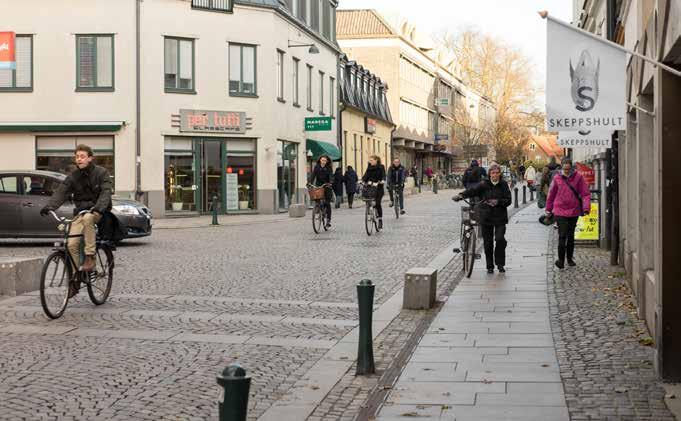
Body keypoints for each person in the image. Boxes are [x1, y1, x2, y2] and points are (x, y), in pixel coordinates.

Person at [40, 145, 113, 296]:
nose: (79, 159)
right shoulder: (73, 176)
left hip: (98, 211)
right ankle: (76, 277)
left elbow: (106, 192)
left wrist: (99, 208)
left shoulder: (101, 172)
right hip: (81, 213)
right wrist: (49, 206)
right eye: (77, 156)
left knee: (88, 218)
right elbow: (62, 191)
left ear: (90, 158)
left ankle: (90, 256)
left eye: (82, 156)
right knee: (71, 243)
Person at [454, 164, 512, 274]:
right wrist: (461, 195)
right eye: (493, 173)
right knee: (488, 242)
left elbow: (509, 200)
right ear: (489, 174)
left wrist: (498, 202)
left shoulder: (503, 185)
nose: (495, 175)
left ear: (500, 174)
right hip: (486, 217)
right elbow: (472, 191)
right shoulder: (484, 184)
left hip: (500, 217)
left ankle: (500, 264)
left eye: (497, 173)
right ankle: (489, 266)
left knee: (500, 239)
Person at [545, 157, 591, 269]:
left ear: (571, 168)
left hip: (574, 210)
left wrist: (586, 207)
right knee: (562, 235)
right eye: (565, 169)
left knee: (570, 236)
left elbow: (585, 193)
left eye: (568, 169)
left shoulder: (578, 177)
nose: (567, 171)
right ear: (561, 167)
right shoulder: (557, 178)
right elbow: (551, 195)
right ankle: (560, 260)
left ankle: (569, 259)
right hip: (560, 210)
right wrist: (548, 209)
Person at [309, 155, 334, 228]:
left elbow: (331, 176)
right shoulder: (317, 167)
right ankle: (318, 210)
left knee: (327, 203)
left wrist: (330, 182)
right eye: (322, 160)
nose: (323, 162)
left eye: (325, 160)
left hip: (327, 186)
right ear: (320, 160)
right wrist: (309, 182)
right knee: (317, 199)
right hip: (319, 185)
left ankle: (328, 220)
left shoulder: (329, 168)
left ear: (327, 161)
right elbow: (313, 175)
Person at [362, 155, 386, 229]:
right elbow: (365, 176)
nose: (370, 161)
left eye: (371, 160)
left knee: (378, 203)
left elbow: (383, 175)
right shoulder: (369, 167)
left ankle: (380, 220)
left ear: (376, 160)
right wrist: (362, 181)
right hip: (370, 187)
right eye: (370, 160)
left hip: (378, 187)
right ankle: (369, 213)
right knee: (368, 200)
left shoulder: (381, 167)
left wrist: (382, 181)